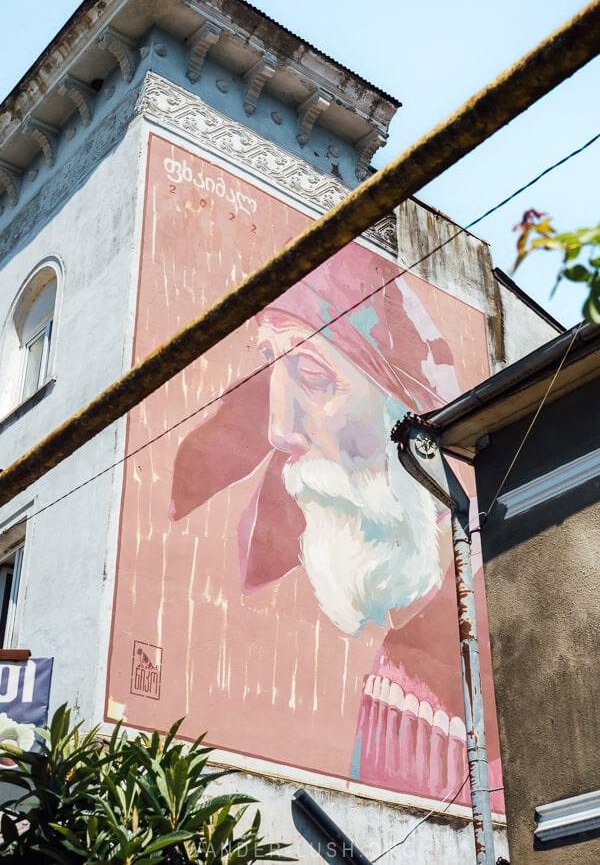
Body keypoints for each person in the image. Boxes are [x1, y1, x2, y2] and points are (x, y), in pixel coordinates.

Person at [169, 242, 501, 804]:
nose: (280, 429)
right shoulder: (397, 654)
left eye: (315, 378)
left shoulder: (483, 635)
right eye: (272, 365)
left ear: (407, 416)